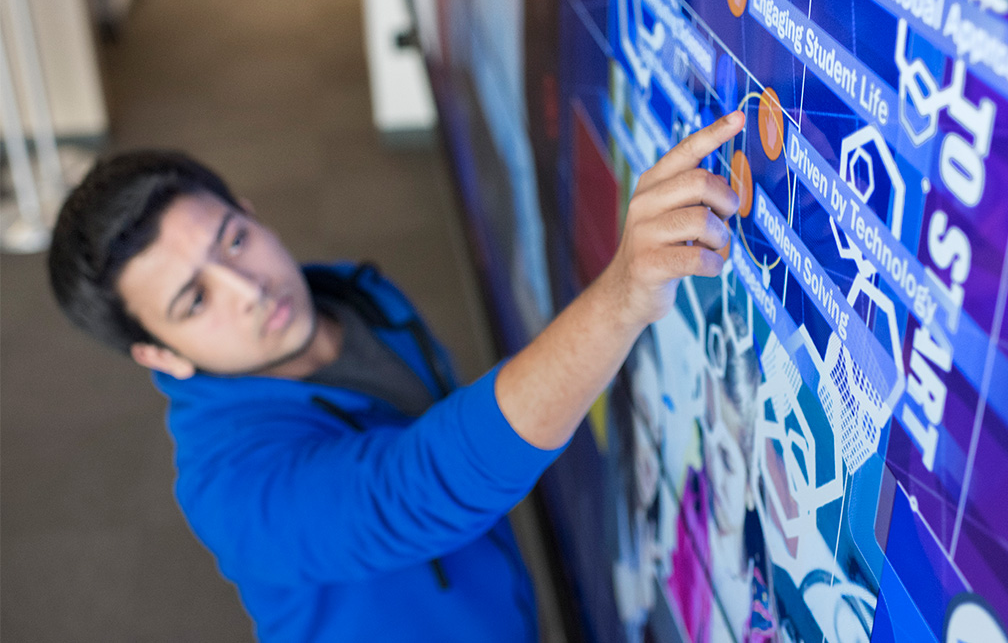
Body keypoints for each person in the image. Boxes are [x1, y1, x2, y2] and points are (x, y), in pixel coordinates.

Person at [47, 112, 747, 641]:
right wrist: (620, 298)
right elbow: (419, 487)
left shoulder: (356, 294)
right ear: (160, 355)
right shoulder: (229, 487)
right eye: (194, 301)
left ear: (252, 215)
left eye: (234, 239)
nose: (249, 289)